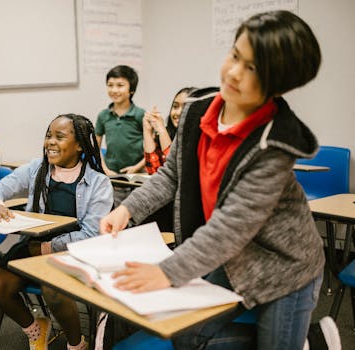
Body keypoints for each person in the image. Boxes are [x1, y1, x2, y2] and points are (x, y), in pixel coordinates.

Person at [99, 11, 341, 350]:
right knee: (187, 335)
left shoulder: (273, 147)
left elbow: (230, 228)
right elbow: (172, 174)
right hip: (231, 256)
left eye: (253, 68)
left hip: (284, 267)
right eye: (235, 55)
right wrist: (128, 210)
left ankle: (313, 340)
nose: (234, 72)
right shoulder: (198, 109)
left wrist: (166, 272)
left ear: (279, 83)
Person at [0, 114, 113, 350]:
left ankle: (76, 344)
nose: (50, 142)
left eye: (59, 137)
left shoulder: (98, 183)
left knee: (52, 291)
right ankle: (36, 329)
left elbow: (92, 234)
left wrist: (45, 248)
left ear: (80, 145)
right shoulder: (37, 168)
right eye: (48, 136)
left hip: (72, 252)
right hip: (33, 245)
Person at [95, 65, 145, 206]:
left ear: (131, 90)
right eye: (110, 85)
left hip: (137, 177)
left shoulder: (140, 114)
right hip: (112, 177)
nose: (114, 90)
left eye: (120, 85)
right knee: (114, 212)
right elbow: (95, 146)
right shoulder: (103, 115)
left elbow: (152, 148)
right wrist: (105, 169)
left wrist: (136, 167)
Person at [143, 87, 196, 175]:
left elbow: (175, 171)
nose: (178, 112)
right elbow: (153, 171)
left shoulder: (200, 139)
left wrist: (162, 130)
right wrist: (147, 130)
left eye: (185, 107)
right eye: (175, 106)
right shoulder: (167, 133)